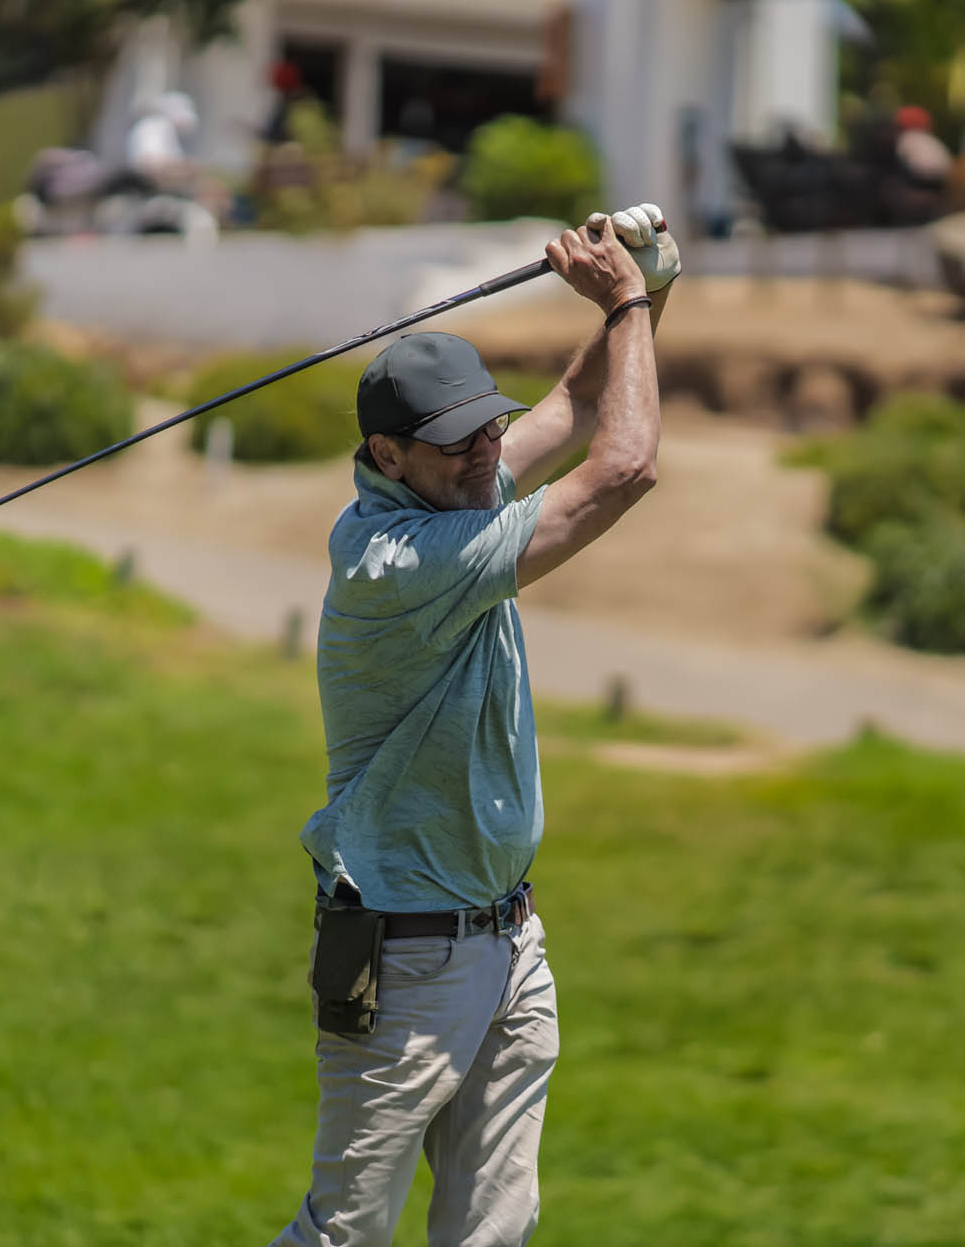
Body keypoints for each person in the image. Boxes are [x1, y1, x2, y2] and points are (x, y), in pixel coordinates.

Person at [269, 202, 681, 1247]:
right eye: (460, 443)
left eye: (491, 428)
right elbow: (622, 468)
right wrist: (626, 305)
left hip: (508, 942)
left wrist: (648, 285)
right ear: (388, 454)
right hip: (403, 961)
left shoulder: (452, 491)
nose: (487, 454)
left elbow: (578, 402)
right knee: (344, 1234)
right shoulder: (399, 561)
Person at [893, 105, 953, 190]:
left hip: (921, 180)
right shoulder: (931, 140)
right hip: (944, 179)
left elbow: (899, 158)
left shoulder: (908, 137)